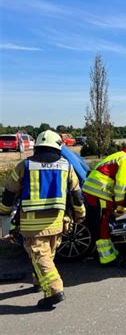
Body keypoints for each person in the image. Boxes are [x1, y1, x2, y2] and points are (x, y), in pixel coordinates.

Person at [0, 130, 85, 309]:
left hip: (32, 224)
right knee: (47, 255)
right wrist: (80, 215)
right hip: (58, 222)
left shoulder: (25, 165)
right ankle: (39, 283)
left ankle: (54, 291)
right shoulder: (66, 166)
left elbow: (9, 192)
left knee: (40, 256)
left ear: (37, 146)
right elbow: (77, 196)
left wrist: (4, 212)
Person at [82, 141, 126, 265]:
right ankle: (107, 258)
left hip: (93, 191)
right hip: (100, 192)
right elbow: (121, 184)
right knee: (102, 224)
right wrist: (120, 203)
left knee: (101, 223)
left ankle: (109, 252)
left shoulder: (119, 155)